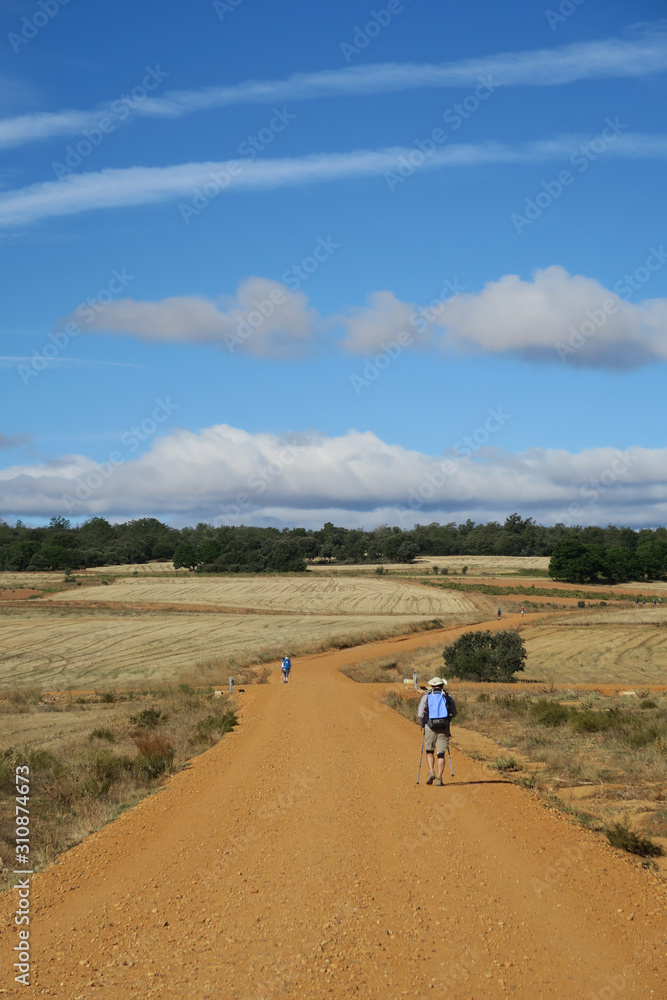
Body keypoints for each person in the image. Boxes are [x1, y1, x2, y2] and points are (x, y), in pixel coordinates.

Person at [418, 677, 456, 786]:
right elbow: (454, 713)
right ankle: (439, 778)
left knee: (429, 751)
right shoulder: (448, 697)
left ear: (431, 686)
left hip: (430, 726)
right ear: (442, 685)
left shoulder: (426, 697)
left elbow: (420, 714)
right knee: (441, 754)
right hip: (443, 727)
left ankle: (431, 771)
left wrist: (423, 724)